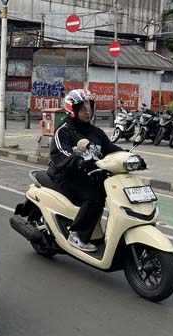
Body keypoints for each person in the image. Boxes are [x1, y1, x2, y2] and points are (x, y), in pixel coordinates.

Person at [47, 89, 134, 253]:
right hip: (65, 175)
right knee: (96, 195)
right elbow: (62, 153)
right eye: (83, 109)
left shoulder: (96, 133)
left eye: (89, 108)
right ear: (72, 110)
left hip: (89, 174)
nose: (88, 112)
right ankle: (77, 234)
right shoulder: (64, 131)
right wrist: (78, 162)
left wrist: (128, 157)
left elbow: (111, 149)